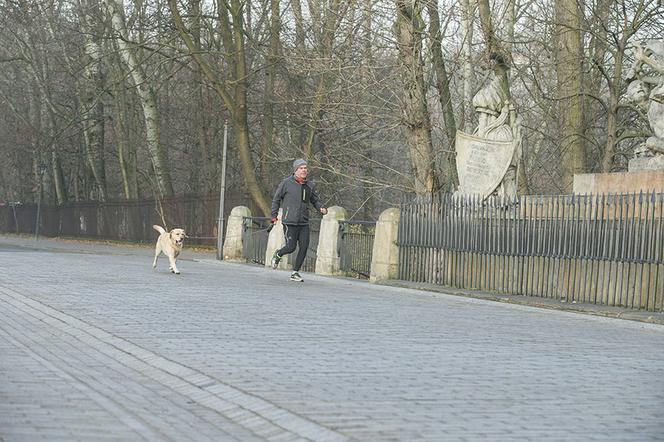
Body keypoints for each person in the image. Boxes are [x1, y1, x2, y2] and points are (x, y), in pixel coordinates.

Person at [270, 159, 327, 282]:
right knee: (291, 247)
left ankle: (295, 272)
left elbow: (314, 200)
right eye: (301, 168)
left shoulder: (310, 185)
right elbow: (276, 200)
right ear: (295, 170)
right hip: (289, 221)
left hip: (303, 222)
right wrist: (273, 216)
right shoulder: (286, 183)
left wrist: (320, 207)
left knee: (304, 246)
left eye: (305, 168)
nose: (304, 170)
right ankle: (278, 254)